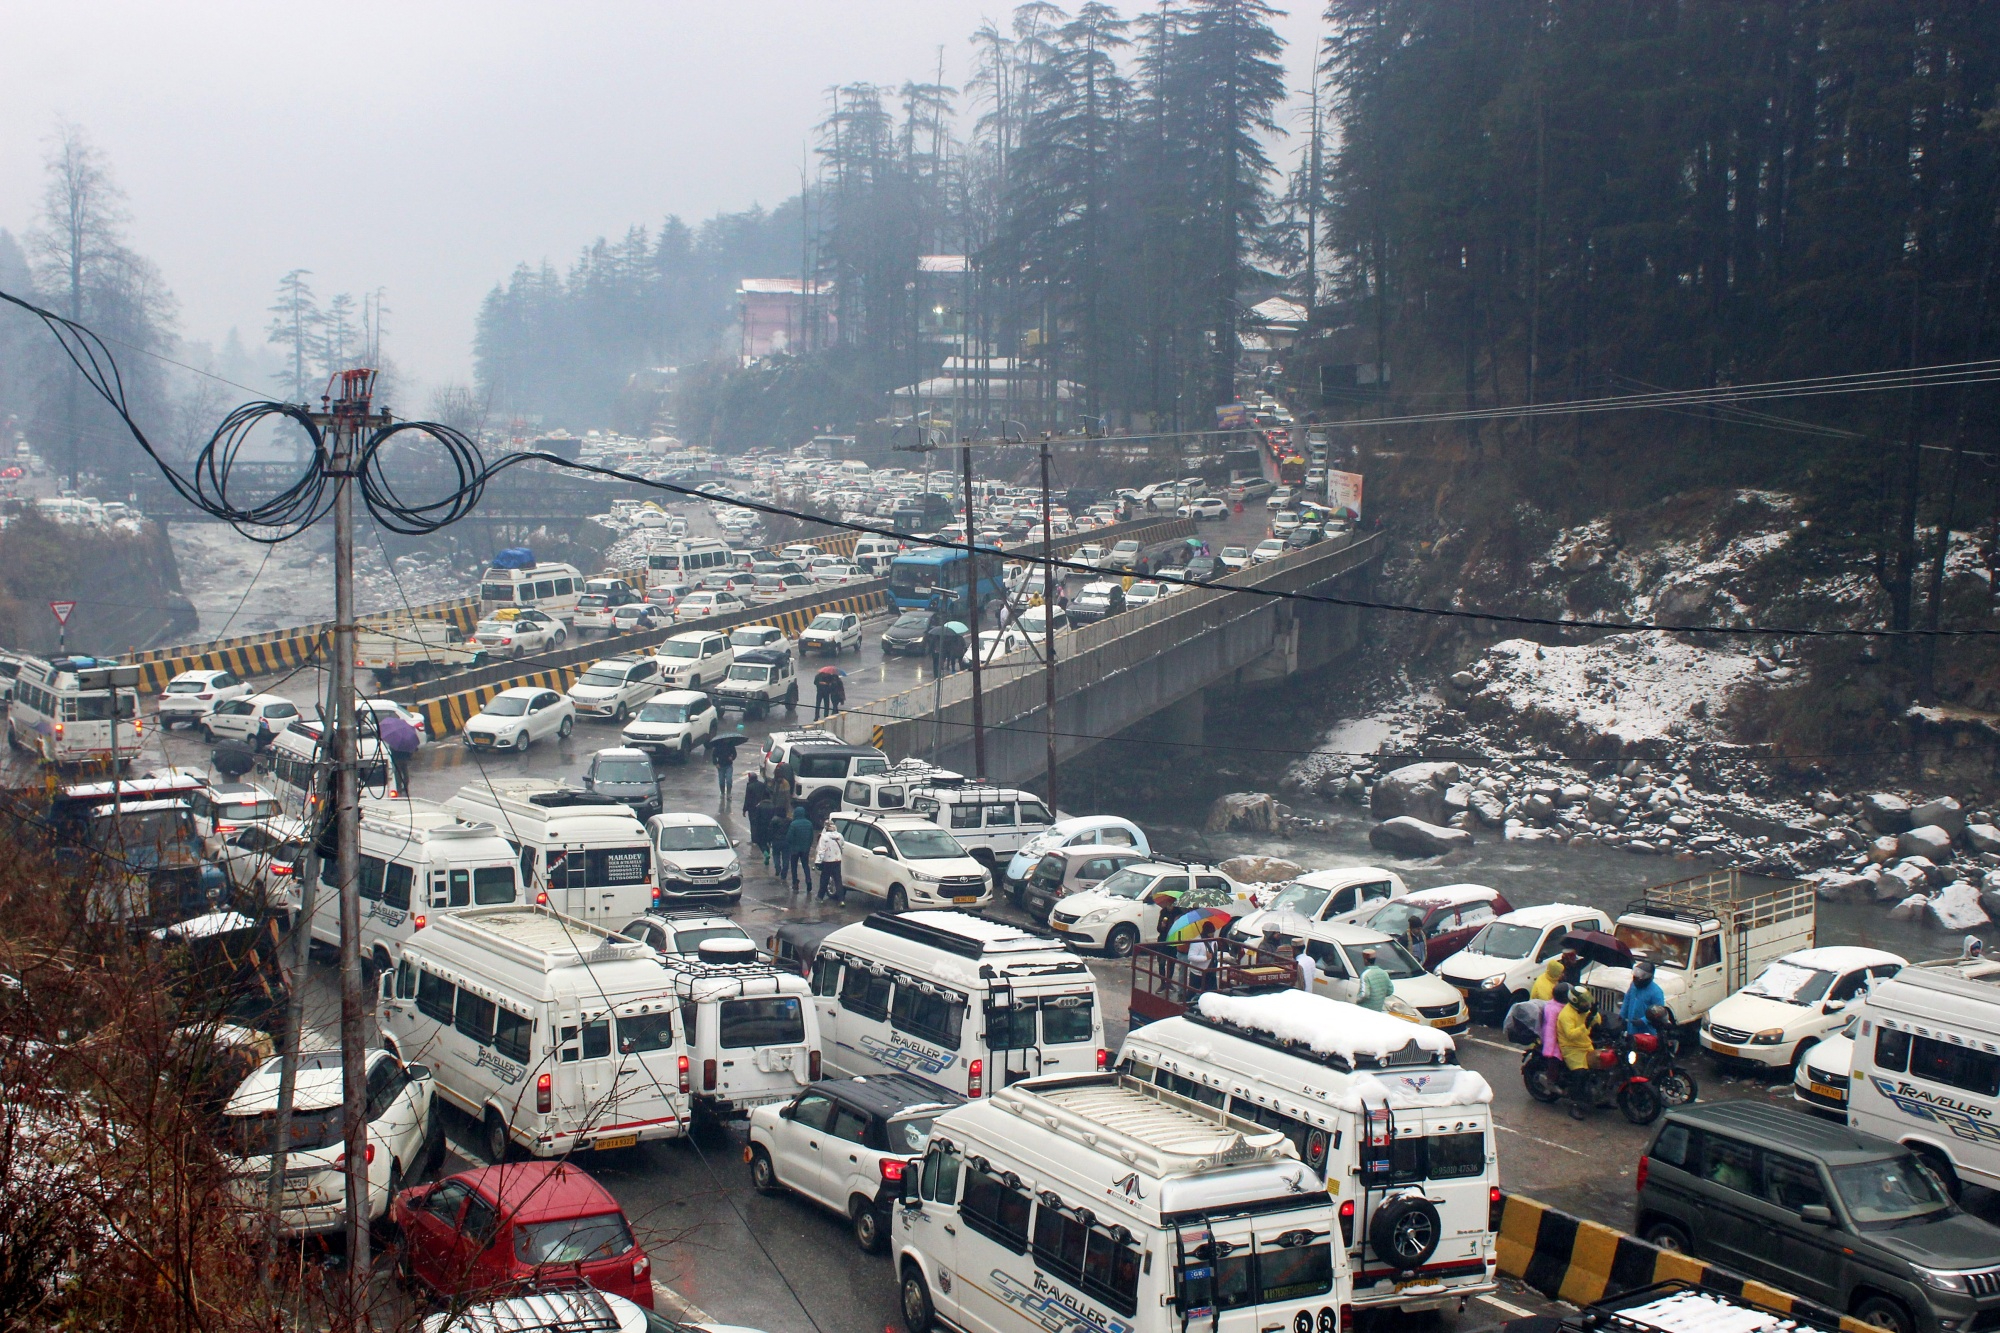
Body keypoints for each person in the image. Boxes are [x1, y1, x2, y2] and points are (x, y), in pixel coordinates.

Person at [1557, 987, 1601, 1120]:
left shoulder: (1585, 1010)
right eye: (1584, 1003)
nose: (1586, 1005)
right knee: (1581, 1074)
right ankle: (1574, 1104)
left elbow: (1597, 1021)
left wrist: (1594, 1015)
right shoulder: (1566, 1015)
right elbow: (1571, 1035)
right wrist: (1585, 1025)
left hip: (1586, 1044)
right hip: (1571, 1048)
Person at [1621, 961, 1666, 1036]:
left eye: (1641, 975)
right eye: (1637, 973)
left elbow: (1659, 1012)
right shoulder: (1633, 986)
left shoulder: (1656, 992)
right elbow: (1627, 999)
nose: (1637, 978)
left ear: (1649, 977)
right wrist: (1622, 1015)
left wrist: (1643, 1020)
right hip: (1631, 1029)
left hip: (1647, 1032)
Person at [785, 809, 815, 893]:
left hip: (795, 849)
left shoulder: (793, 824)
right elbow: (811, 837)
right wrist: (808, 846)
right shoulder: (809, 824)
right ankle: (808, 880)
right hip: (805, 849)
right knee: (805, 865)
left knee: (794, 866)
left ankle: (795, 882)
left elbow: (789, 837)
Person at [815, 819, 845, 902]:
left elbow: (821, 850)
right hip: (837, 860)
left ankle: (820, 897)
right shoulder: (840, 836)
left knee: (824, 879)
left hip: (827, 861)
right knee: (838, 880)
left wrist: (818, 862)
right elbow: (842, 845)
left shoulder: (824, 837)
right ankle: (841, 900)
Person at [1356, 947, 1393, 1012]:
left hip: (1366, 1010)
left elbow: (1364, 994)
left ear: (1365, 960)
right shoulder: (1384, 973)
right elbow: (1390, 990)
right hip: (1378, 1009)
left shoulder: (1366, 975)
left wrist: (1357, 1000)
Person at [1186, 923, 1219, 992]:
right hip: (1197, 973)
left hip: (1211, 971)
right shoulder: (1197, 942)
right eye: (1211, 933)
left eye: (1213, 933)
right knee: (1192, 992)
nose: (1212, 935)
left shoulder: (1214, 941)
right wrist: (1205, 958)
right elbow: (1190, 957)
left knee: (1212, 992)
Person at [751, 796, 777, 867]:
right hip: (770, 828)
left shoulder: (760, 806)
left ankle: (765, 853)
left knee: (761, 843)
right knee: (768, 842)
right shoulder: (773, 806)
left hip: (761, 827)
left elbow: (756, 817)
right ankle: (767, 859)